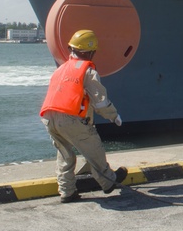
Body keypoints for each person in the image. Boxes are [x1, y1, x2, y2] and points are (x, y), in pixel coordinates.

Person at [40, 29, 127, 203]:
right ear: (90, 51)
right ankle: (108, 181)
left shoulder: (61, 69)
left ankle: (66, 191)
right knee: (93, 147)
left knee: (65, 154)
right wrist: (113, 115)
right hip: (69, 118)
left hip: (48, 117)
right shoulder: (87, 71)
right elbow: (100, 101)